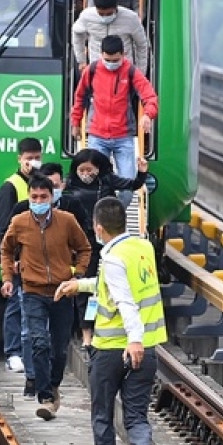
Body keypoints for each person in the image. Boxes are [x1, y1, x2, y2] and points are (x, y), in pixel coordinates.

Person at [55, 197, 167, 445]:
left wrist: (132, 341)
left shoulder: (114, 257)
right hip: (147, 348)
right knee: (136, 415)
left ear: (98, 228)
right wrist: (79, 285)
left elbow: (125, 301)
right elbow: (113, 286)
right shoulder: (141, 248)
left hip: (113, 351)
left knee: (102, 416)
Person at [0, 176, 91, 420]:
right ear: (28, 197)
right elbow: (6, 249)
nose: (38, 201)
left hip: (62, 291)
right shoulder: (19, 222)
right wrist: (8, 278)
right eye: (34, 197)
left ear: (52, 197)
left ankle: (53, 384)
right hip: (32, 290)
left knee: (59, 349)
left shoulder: (67, 221)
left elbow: (85, 248)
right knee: (39, 341)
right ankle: (46, 397)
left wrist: (77, 275)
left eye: (43, 197)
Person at [62, 149, 150, 348]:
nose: (85, 174)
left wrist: (142, 172)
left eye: (89, 170)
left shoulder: (107, 181)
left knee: (101, 286)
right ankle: (85, 334)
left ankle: (99, 329)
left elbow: (133, 185)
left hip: (103, 241)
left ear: (98, 168)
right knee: (82, 287)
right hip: (78, 243)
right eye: (81, 170)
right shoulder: (69, 185)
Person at [70, 34, 159, 208]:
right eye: (107, 59)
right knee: (95, 183)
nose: (111, 63)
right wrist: (75, 123)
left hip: (123, 137)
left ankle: (115, 216)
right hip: (97, 135)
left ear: (123, 54)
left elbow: (150, 96)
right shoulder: (92, 70)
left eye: (115, 59)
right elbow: (79, 98)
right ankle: (96, 219)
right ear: (101, 54)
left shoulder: (131, 72)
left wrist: (148, 114)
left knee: (127, 189)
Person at [0, 138, 44, 377]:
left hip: (36, 257)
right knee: (15, 304)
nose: (33, 162)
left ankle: (29, 353)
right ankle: (12, 353)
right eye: (28, 158)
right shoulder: (10, 187)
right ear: (19, 158)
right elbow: (5, 227)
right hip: (18, 258)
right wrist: (11, 259)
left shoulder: (40, 185)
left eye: (36, 157)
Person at [72, 0, 150, 76]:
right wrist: (81, 60)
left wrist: (140, 72)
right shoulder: (86, 16)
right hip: (97, 69)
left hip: (124, 70)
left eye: (109, 13)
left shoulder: (131, 18)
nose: (105, 17)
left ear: (116, 6)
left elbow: (141, 45)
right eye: (100, 14)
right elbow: (77, 35)